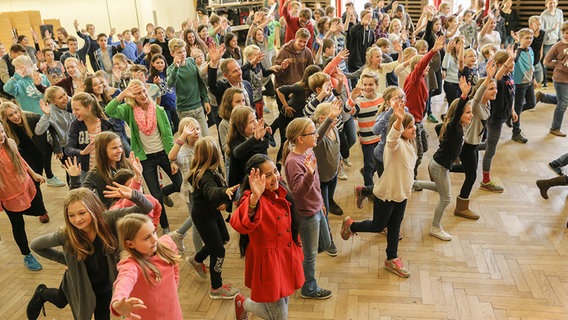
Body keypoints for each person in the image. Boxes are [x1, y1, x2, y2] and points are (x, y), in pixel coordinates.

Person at [26, 184, 153, 320]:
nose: (77, 219)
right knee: (60, 301)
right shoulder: (66, 235)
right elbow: (36, 245)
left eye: (82, 213)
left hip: (104, 286)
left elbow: (146, 208)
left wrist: (134, 195)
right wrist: (65, 259)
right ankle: (42, 292)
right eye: (71, 216)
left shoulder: (108, 220)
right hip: (79, 283)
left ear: (93, 209)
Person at [342, 95, 415, 278]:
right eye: (410, 127)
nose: (414, 129)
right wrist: (398, 121)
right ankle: (352, 225)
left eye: (413, 125)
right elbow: (391, 139)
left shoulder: (408, 144)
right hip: (387, 194)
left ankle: (392, 258)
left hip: (401, 194)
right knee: (377, 225)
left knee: (395, 226)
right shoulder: (394, 146)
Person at [230, 154, 304, 320]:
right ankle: (245, 304)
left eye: (275, 171)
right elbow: (238, 223)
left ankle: (243, 303)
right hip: (268, 266)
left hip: (286, 260)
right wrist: (254, 198)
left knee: (283, 305)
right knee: (280, 317)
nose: (275, 177)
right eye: (268, 175)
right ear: (256, 178)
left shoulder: (282, 192)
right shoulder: (251, 198)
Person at [105, 80, 183, 233]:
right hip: (145, 159)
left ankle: (165, 192)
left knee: (180, 184)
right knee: (155, 196)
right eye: (137, 93)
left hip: (163, 154)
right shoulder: (129, 110)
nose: (142, 95)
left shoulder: (159, 110)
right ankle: (166, 228)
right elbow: (109, 110)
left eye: (143, 91)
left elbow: (167, 136)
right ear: (132, 96)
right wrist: (123, 94)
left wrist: (172, 159)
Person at [413, 76, 473, 241]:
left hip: (440, 165)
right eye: (467, 112)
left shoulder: (458, 127)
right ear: (458, 113)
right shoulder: (454, 127)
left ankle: (414, 184)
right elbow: (454, 117)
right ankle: (435, 227)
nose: (471, 115)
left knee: (441, 190)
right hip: (439, 167)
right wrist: (463, 97)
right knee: (445, 198)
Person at [283, 117, 332, 299]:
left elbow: (316, 183)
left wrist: (321, 203)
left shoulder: (309, 150)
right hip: (306, 214)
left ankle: (299, 265)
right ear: (300, 138)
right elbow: (297, 191)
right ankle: (309, 288)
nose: (316, 135)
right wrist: (309, 175)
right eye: (312, 132)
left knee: (324, 244)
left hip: (317, 207)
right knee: (311, 254)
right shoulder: (293, 161)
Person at [187, 136, 240, 299]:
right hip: (203, 216)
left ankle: (197, 259)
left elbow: (216, 190)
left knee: (222, 239)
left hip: (211, 211)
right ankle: (216, 287)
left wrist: (224, 198)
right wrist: (224, 192)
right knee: (219, 250)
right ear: (213, 156)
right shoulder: (204, 176)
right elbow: (211, 191)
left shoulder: (210, 170)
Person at [110, 214, 182, 319]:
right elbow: (124, 281)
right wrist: (117, 301)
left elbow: (174, 263)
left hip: (173, 314)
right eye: (147, 237)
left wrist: (174, 285)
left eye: (153, 232)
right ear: (130, 244)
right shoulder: (131, 265)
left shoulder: (166, 244)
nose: (154, 239)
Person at [452, 63, 498, 220]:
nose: (495, 91)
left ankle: (443, 167)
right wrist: (489, 78)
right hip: (467, 145)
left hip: (474, 144)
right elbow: (477, 96)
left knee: (470, 171)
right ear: (483, 90)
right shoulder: (475, 104)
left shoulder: (487, 103)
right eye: (491, 89)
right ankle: (461, 208)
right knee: (471, 177)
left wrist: (497, 73)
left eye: (495, 88)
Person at [0, 122, 45, 271]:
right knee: (18, 225)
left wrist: (34, 174)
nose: (1, 136)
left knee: (38, 208)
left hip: (24, 185)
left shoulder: (10, 143)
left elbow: (21, 161)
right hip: (8, 194)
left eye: (1, 132)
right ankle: (27, 254)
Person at [0, 101, 65, 192]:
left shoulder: (32, 117)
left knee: (38, 174)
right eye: (10, 115)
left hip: (41, 148)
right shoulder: (5, 127)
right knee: (33, 180)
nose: (15, 116)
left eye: (16, 112)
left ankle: (49, 178)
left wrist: (57, 146)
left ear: (19, 110)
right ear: (5, 118)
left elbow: (51, 128)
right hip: (25, 153)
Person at [167, 117, 204, 254]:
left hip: (203, 190)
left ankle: (178, 234)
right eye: (191, 130)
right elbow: (171, 156)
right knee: (197, 223)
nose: (196, 132)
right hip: (192, 192)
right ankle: (199, 256)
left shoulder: (202, 145)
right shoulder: (183, 151)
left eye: (198, 128)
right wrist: (182, 137)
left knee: (198, 217)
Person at [167, 38, 211, 137]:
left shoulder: (191, 61)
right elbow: (170, 83)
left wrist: (206, 99)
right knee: (194, 139)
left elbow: (200, 83)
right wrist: (176, 68)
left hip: (198, 106)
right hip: (184, 110)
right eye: (179, 52)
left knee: (205, 136)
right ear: (172, 54)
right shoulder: (171, 69)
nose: (183, 54)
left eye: (183, 51)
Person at [543, 21, 568, 137]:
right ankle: (555, 128)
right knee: (563, 103)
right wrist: (559, 64)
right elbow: (546, 61)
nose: (567, 35)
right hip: (560, 77)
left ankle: (544, 97)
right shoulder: (558, 46)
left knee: (563, 100)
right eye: (565, 32)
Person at [511, 28, 536, 143]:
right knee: (518, 106)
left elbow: (531, 66)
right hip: (520, 83)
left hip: (529, 81)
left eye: (531, 38)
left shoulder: (530, 50)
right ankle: (516, 133)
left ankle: (511, 116)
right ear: (520, 39)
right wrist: (516, 44)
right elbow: (514, 58)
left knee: (531, 104)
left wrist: (533, 79)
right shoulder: (518, 51)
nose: (529, 40)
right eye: (526, 38)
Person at [540, 0, 563, 88]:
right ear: (546, 4)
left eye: (554, 2)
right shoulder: (543, 15)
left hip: (557, 40)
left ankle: (558, 79)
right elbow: (542, 30)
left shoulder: (559, 12)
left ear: (556, 3)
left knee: (560, 61)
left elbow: (561, 26)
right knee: (545, 62)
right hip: (547, 42)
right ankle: (544, 81)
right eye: (550, 3)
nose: (552, 4)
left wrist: (562, 39)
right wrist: (552, 29)